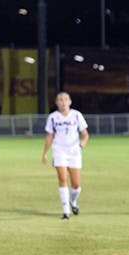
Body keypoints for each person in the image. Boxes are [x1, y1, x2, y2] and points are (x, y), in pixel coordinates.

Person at [41, 91, 89, 219]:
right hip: (59, 150)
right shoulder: (53, 117)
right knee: (62, 179)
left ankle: (73, 201)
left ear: (70, 102)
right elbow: (49, 136)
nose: (63, 102)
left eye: (65, 99)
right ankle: (66, 211)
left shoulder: (76, 115)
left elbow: (85, 134)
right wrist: (45, 153)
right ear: (56, 102)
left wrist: (83, 142)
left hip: (74, 151)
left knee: (76, 184)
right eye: (60, 100)